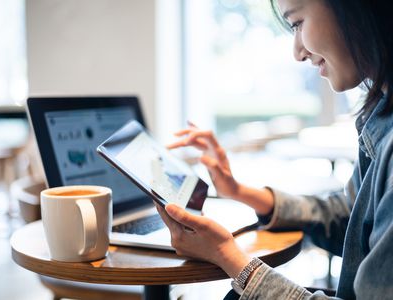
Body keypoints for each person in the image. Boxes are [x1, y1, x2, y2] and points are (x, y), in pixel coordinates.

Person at [155, 0, 393, 299]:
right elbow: (350, 219)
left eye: (297, 23)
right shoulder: (382, 116)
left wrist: (228, 257)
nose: (297, 52)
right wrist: (238, 191)